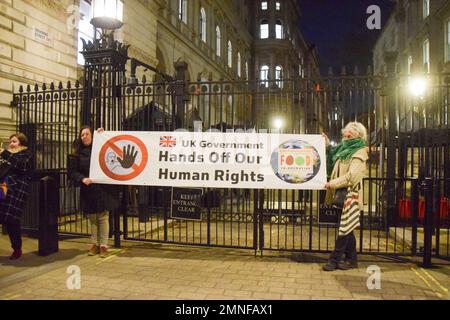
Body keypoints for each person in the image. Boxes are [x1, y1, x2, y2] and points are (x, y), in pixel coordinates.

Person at [322, 122, 368, 271]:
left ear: (359, 136)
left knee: (344, 229)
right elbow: (330, 160)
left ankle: (334, 260)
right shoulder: (343, 151)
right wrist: (327, 144)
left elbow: (352, 177)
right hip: (341, 194)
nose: (346, 136)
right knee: (347, 228)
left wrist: (332, 184)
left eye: (350, 134)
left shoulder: (359, 153)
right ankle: (352, 260)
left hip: (350, 196)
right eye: (345, 134)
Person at [68, 126, 118, 258]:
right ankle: (95, 244)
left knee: (103, 217)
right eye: (82, 135)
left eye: (87, 134)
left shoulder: (101, 148)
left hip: (102, 188)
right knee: (92, 218)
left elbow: (115, 151)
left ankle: (104, 246)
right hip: (88, 188)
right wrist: (82, 179)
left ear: (92, 135)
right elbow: (72, 172)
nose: (84, 136)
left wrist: (104, 134)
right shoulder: (76, 154)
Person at [0, 133, 33, 260]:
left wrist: (4, 153)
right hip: (3, 189)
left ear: (21, 143)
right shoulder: (7, 155)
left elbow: (22, 165)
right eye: (10, 141)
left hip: (15, 192)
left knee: (11, 221)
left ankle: (17, 249)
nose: (11, 144)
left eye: (14, 141)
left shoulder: (26, 154)